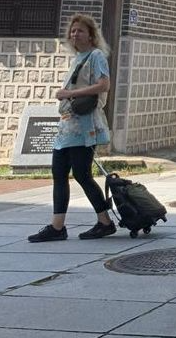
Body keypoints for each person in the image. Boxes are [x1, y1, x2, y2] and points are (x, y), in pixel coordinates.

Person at [28, 13, 117, 242]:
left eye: (80, 31)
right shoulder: (78, 58)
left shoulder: (96, 55)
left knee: (81, 174)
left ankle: (105, 222)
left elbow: (104, 84)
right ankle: (57, 226)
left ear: (91, 35)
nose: (75, 34)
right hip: (67, 125)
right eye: (73, 30)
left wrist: (69, 93)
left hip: (84, 125)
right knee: (59, 172)